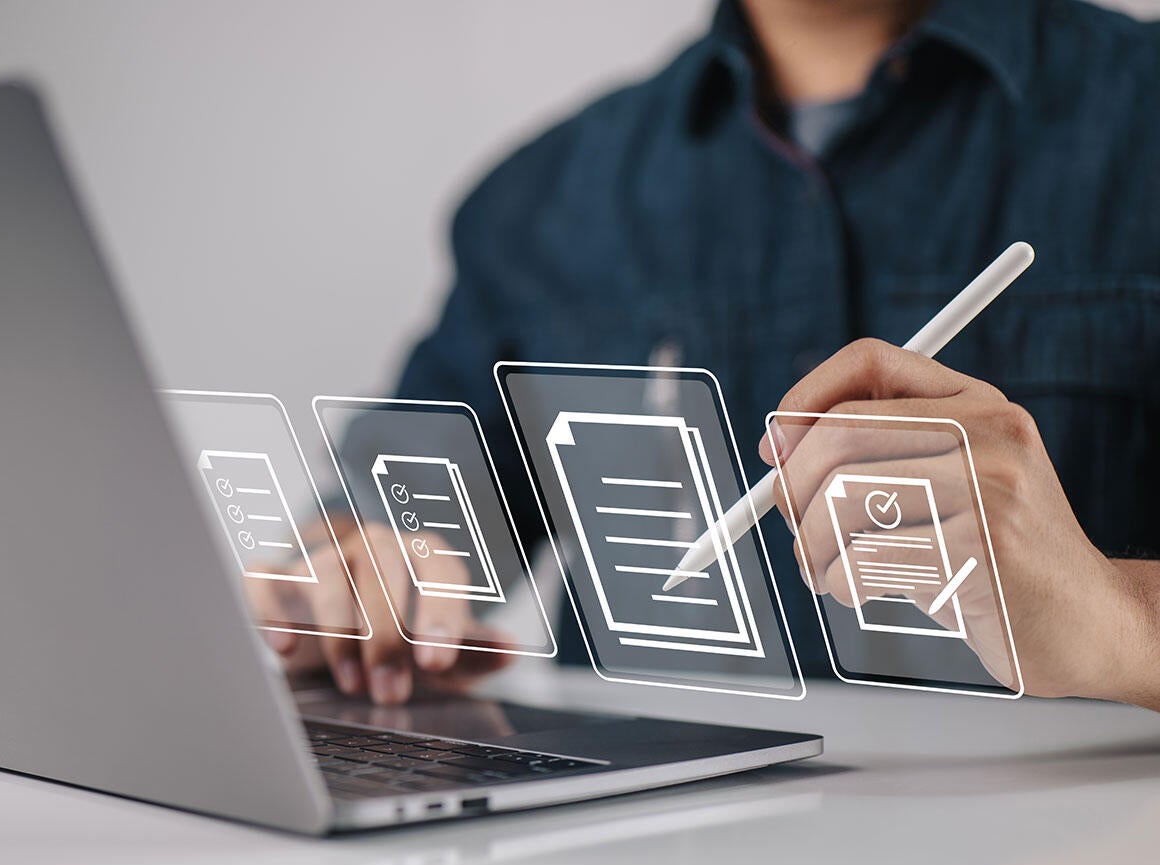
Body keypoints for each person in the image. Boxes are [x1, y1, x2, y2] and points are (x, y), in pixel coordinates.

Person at [263, 0, 1160, 708]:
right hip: (633, 850)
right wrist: (351, 576)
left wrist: (1118, 620)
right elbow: (399, 506)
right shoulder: (544, 201)